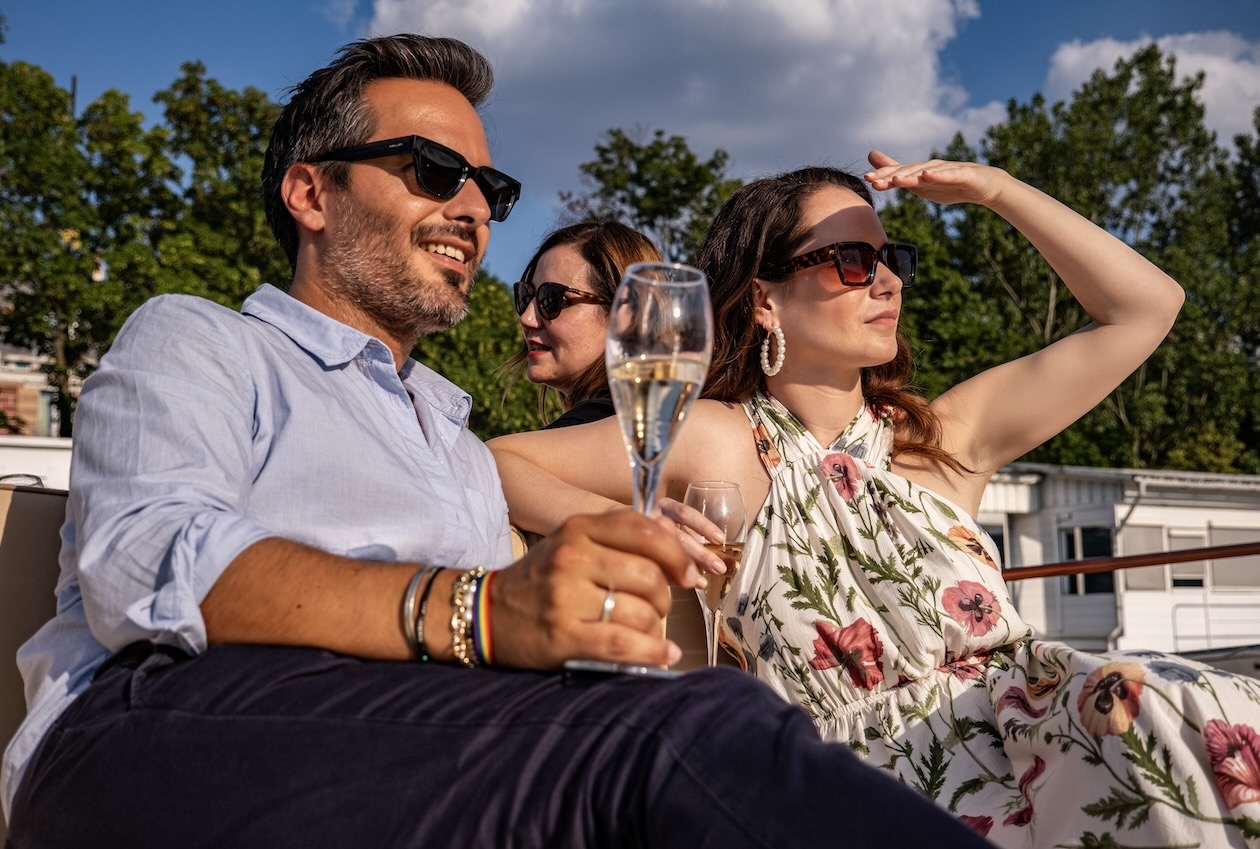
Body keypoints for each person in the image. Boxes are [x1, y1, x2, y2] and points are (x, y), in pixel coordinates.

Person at [0, 35, 995, 849]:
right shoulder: (199, 340)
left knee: (708, 723)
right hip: (151, 728)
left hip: (409, 744)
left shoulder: (452, 436)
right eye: (434, 172)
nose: (474, 210)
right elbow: (146, 563)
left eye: (490, 187)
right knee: (695, 737)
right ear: (311, 194)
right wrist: (478, 608)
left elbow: (506, 663)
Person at [490, 156, 1260, 847]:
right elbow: (501, 461)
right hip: (873, 788)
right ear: (764, 298)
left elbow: (1147, 308)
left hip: (1049, 739)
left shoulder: (941, 437)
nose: (887, 281)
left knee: (1180, 708)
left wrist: (995, 191)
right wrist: (624, 523)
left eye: (892, 259)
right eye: (853, 261)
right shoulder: (723, 441)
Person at [503, 220, 661, 429]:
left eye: (554, 300)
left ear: (628, 317)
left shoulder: (610, 432)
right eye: (525, 296)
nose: (526, 318)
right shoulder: (663, 424)